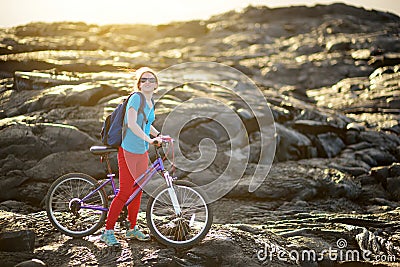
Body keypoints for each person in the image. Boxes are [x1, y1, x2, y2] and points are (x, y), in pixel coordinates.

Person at [101, 67, 163, 246]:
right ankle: (108, 231)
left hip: (141, 151)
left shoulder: (150, 101)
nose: (147, 83)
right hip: (128, 150)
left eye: (151, 80)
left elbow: (146, 123)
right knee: (125, 192)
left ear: (156, 84)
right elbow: (133, 124)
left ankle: (131, 228)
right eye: (144, 80)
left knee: (138, 190)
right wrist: (150, 140)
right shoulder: (136, 98)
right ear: (139, 83)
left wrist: (159, 134)